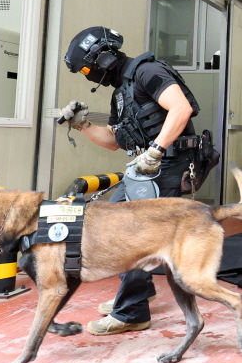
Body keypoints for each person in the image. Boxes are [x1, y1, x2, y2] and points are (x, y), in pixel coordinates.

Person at [61, 26, 201, 334]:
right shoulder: (121, 92)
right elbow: (113, 140)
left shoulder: (147, 71)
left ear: (104, 58)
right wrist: (81, 124)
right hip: (146, 168)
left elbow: (181, 109)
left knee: (129, 234)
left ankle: (133, 312)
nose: (88, 74)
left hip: (170, 163)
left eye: (88, 67)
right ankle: (139, 292)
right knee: (116, 225)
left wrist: (155, 151)